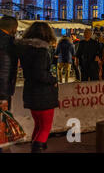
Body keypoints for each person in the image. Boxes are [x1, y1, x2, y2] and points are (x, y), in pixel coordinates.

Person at [16, 22, 59, 153]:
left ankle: (35, 147)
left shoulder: (26, 49)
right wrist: (53, 80)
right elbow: (40, 73)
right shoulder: (41, 50)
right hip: (43, 93)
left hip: (31, 91)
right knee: (45, 127)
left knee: (39, 125)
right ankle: (37, 149)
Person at [0, 16, 19, 153]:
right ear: (13, 28)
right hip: (2, 91)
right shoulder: (8, 43)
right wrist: (4, 96)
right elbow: (4, 71)